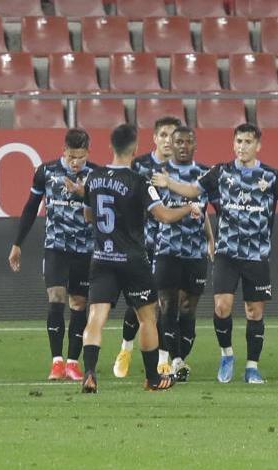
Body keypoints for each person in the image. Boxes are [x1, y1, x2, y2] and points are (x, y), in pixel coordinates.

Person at [154, 123, 278, 384]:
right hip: (227, 253)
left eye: (248, 142)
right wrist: (170, 183)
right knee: (222, 307)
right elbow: (193, 191)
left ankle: (252, 367)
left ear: (258, 146)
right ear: (233, 144)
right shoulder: (221, 172)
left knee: (254, 311)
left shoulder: (270, 175)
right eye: (239, 142)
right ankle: (227, 354)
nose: (242, 147)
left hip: (256, 256)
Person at [79, 124, 201, 393]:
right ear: (135, 150)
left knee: (96, 316)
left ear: (110, 147)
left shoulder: (93, 178)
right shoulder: (138, 182)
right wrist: (188, 208)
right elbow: (164, 216)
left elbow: (89, 216)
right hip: (133, 259)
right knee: (148, 318)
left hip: (101, 258)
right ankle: (153, 378)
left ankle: (89, 372)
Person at [7, 128, 97, 382]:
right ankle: (56, 362)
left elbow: (104, 212)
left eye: (80, 156)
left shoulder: (96, 175)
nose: (76, 161)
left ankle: (73, 363)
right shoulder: (46, 172)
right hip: (56, 247)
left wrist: (85, 193)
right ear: (64, 151)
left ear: (88, 153)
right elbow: (30, 207)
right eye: (71, 156)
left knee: (79, 303)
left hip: (85, 250)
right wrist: (17, 243)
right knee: (56, 297)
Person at [113, 116, 181, 379]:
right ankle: (126, 348)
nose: (168, 140)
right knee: (139, 305)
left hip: (171, 247)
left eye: (172, 136)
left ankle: (163, 359)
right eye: (163, 135)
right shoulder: (138, 166)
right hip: (140, 246)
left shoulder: (182, 170)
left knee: (162, 304)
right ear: (154, 138)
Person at [152, 125, 214, 382]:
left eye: (188, 142)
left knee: (188, 308)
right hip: (167, 249)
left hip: (195, 251)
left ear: (195, 145)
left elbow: (206, 210)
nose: (183, 146)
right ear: (171, 144)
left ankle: (177, 359)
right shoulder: (157, 174)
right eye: (178, 141)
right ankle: (169, 361)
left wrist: (211, 238)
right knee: (167, 305)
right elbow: (153, 210)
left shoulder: (205, 174)